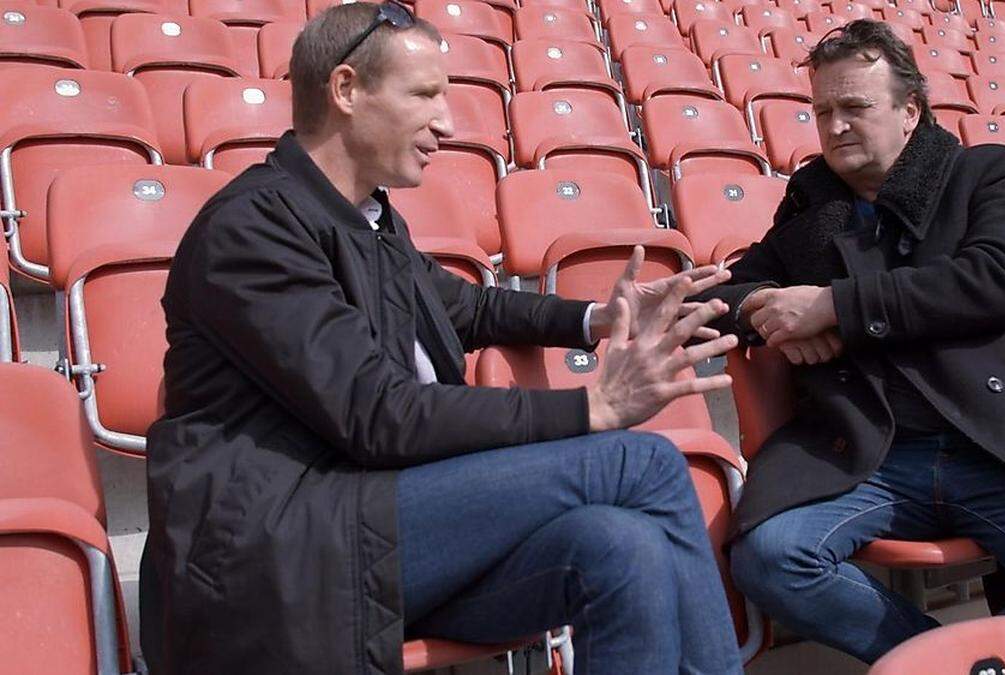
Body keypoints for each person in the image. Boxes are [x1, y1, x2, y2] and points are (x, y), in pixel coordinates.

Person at [138, 4, 745, 673]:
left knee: (621, 544)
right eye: (425, 94)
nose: (448, 123)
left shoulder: (366, 220)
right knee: (645, 463)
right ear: (346, 91)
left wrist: (592, 318)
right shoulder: (251, 230)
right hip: (287, 550)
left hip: (389, 526)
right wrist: (590, 408)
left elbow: (463, 305)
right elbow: (379, 413)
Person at [693, 19, 1005, 664]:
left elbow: (995, 282)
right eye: (822, 110)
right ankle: (941, 660)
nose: (834, 127)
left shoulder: (990, 175)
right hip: (865, 453)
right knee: (771, 558)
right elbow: (722, 297)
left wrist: (833, 307)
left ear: (911, 111)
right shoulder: (810, 205)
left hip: (998, 443)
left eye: (855, 107)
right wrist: (771, 314)